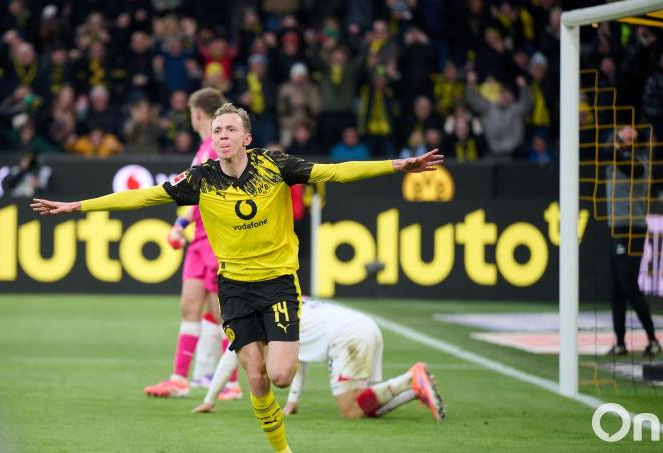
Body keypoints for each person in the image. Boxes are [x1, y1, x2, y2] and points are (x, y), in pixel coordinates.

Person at [31, 102, 444, 453]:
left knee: (280, 376)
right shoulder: (201, 178)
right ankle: (283, 450)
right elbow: (142, 197)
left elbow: (334, 173)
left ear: (246, 137)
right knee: (257, 378)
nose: (223, 136)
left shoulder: (274, 165)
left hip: (279, 283)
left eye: (230, 130)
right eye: (217, 131)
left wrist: (398, 165)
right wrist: (78, 206)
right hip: (234, 289)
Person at [191, 298, 445, 421]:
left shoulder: (256, 318)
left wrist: (209, 400)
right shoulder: (281, 303)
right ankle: (414, 390)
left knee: (351, 411)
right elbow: (296, 359)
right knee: (362, 404)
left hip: (348, 336)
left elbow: (229, 358)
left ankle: (410, 380)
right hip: (362, 326)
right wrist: (292, 401)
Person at [143, 87, 240, 400]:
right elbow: (197, 194)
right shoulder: (204, 148)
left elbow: (210, 192)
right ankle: (179, 379)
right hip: (198, 238)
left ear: (197, 113)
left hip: (215, 238)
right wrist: (182, 224)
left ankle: (231, 383)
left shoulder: (217, 148)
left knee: (221, 311)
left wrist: (183, 222)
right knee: (189, 305)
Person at [603, 126, 661, 357]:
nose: (627, 139)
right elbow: (607, 152)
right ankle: (620, 342)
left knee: (629, 286)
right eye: (623, 136)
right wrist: (616, 140)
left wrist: (618, 141)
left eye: (631, 137)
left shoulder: (640, 164)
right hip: (615, 228)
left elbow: (621, 161)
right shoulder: (613, 158)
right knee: (616, 287)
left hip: (632, 229)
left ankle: (652, 339)